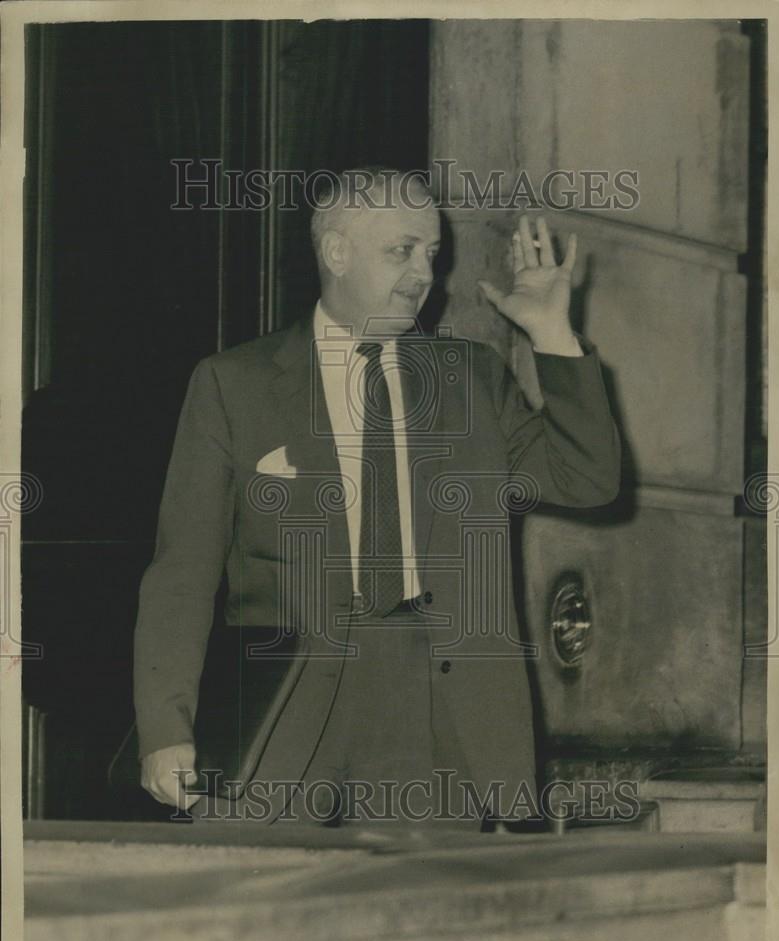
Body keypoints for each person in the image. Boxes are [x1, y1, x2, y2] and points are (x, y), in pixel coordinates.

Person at [133, 167, 620, 826]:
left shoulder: (470, 379)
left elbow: (586, 479)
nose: (424, 273)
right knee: (259, 911)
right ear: (337, 253)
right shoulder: (234, 384)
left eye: (431, 254)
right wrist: (167, 727)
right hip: (281, 702)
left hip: (438, 703)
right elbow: (182, 573)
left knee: (424, 915)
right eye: (402, 251)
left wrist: (552, 337)